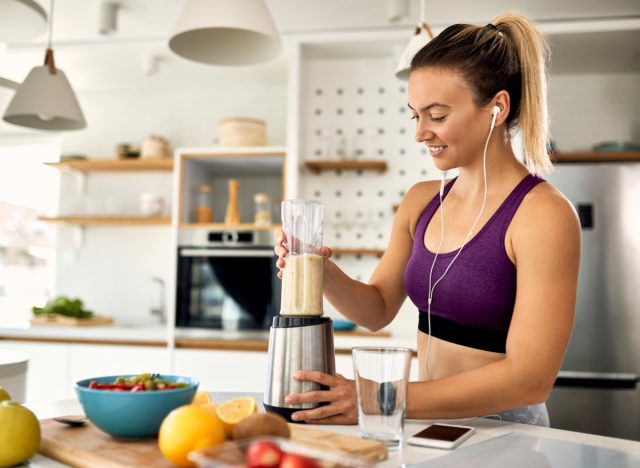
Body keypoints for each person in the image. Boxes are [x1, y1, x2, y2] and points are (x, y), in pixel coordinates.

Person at [274, 12, 580, 426]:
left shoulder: (543, 215)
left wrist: (380, 397)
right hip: (427, 424)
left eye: (437, 116)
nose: (420, 133)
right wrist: (319, 269)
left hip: (508, 435)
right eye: (414, 115)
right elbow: (377, 309)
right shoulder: (422, 201)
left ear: (497, 108)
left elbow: (530, 380)